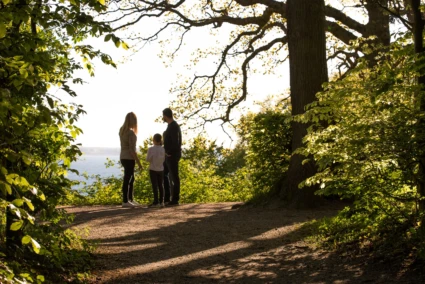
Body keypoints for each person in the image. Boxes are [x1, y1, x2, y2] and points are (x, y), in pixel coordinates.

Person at [119, 112, 142, 208]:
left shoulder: (122, 130)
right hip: (129, 158)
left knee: (130, 178)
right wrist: (139, 162)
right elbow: (132, 150)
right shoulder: (131, 133)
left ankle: (130, 199)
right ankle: (125, 200)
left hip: (123, 157)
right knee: (128, 179)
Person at [162, 108, 182, 206]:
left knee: (174, 176)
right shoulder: (171, 126)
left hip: (172, 155)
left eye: (163, 116)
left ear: (165, 115)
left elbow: (176, 142)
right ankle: (167, 197)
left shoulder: (173, 126)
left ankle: (175, 199)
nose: (163, 118)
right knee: (164, 174)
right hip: (168, 155)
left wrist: (170, 152)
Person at [146, 133, 166, 208]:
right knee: (161, 185)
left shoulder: (151, 149)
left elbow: (148, 159)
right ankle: (161, 201)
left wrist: (152, 157)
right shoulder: (163, 149)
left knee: (155, 186)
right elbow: (163, 159)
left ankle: (156, 202)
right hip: (161, 169)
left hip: (153, 169)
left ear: (153, 140)